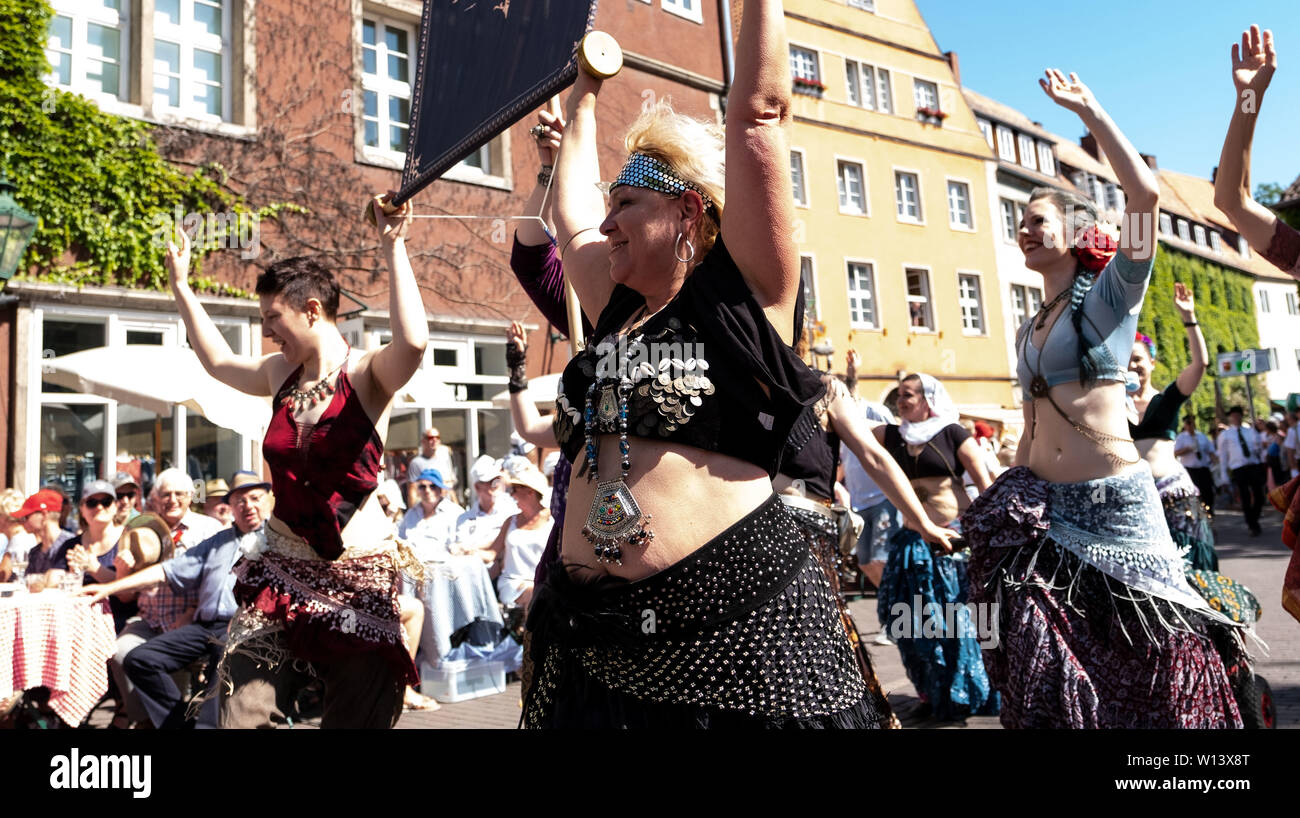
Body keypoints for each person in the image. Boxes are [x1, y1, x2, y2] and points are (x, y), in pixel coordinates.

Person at [524, 1, 877, 728]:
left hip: (732, 632)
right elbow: (572, 221)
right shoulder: (618, 310)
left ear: (686, 213)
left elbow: (760, 115)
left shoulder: (742, 302)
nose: (610, 220)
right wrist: (584, 88)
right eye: (611, 203)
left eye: (627, 203)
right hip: (598, 638)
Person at [963, 69, 1242, 728]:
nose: (1024, 230)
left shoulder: (1111, 301)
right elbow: (1032, 428)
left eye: (1036, 220)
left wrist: (1085, 107)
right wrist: (1010, 487)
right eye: (1019, 222)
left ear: (1076, 230)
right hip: (1048, 514)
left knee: (1152, 657)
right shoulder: (1032, 324)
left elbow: (1142, 194)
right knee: (1036, 656)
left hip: (1116, 504)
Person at [167, 190, 426, 729]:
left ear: (312, 310)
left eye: (272, 318)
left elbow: (415, 342)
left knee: (357, 719)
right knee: (239, 715)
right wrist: (182, 289)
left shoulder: (367, 373)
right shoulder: (276, 374)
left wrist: (392, 243)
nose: (266, 332)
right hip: (281, 570)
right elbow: (216, 360)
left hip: (357, 577)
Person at [80, 473, 273, 729]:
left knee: (226, 650)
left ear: (269, 500)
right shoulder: (217, 541)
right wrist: (109, 587)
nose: (247, 506)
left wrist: (244, 618)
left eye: (254, 498)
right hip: (202, 625)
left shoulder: (276, 541)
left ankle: (205, 726)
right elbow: (168, 570)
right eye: (240, 500)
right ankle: (180, 725)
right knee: (138, 659)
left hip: (241, 626)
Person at [872, 373, 998, 720]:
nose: (901, 401)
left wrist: (988, 536)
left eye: (908, 395)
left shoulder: (952, 433)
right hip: (911, 544)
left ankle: (966, 693)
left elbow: (986, 485)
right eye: (898, 395)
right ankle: (931, 693)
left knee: (955, 622)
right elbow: (851, 435)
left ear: (927, 399)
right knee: (911, 622)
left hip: (951, 543)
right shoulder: (890, 435)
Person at [110, 468, 222, 727]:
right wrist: (123, 569)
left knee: (157, 659)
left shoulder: (209, 529)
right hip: (149, 621)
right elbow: (126, 596)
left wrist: (191, 612)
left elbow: (216, 582)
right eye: (165, 494)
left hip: (191, 622)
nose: (172, 499)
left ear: (191, 496)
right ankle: (149, 721)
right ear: (156, 497)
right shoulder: (141, 529)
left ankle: (171, 721)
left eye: (179, 494)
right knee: (118, 651)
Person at [1129, 284, 1217, 567]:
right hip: (1136, 502)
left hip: (1174, 498)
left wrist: (1189, 318)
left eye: (1138, 359)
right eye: (1125, 361)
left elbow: (1200, 364)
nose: (1132, 366)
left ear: (1152, 362)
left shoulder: (1167, 398)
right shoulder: (1111, 405)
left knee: (1190, 571)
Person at [492, 465, 553, 609]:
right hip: (512, 584)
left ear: (530, 492)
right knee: (535, 593)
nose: (511, 495)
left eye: (514, 490)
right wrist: (468, 550)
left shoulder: (553, 521)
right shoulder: (510, 521)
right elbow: (492, 551)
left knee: (538, 592)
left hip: (544, 582)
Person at [1218, 405, 1267, 537]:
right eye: (1233, 415)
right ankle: (1252, 524)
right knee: (1245, 497)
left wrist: (1259, 444)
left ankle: (1254, 518)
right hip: (1238, 468)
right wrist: (1223, 474)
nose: (1235, 417)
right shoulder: (1225, 435)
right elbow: (1222, 455)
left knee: (1259, 496)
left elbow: (1260, 449)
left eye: (1238, 415)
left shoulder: (1250, 431)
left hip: (1253, 465)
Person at [398, 468, 462, 561]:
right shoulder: (411, 514)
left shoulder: (455, 513)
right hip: (414, 569)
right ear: (418, 491)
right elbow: (400, 540)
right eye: (422, 487)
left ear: (441, 490)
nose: (427, 490)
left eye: (432, 486)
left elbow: (461, 546)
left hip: (445, 569)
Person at [12, 488, 75, 576]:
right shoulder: (34, 552)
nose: (21, 522)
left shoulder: (72, 545)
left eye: (26, 517)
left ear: (44, 515)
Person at [1175, 416, 1218, 518]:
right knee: (1193, 493)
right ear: (1185, 425)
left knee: (1208, 492)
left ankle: (1208, 512)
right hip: (1190, 469)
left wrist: (1216, 461)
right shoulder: (1181, 437)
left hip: (1203, 468)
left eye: (1192, 423)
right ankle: (1196, 513)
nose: (1190, 425)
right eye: (1188, 423)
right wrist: (1187, 449)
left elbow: (1210, 450)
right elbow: (1175, 452)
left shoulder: (1201, 436)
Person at [406, 427, 458, 507]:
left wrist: (456, 506)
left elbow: (450, 489)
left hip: (446, 508)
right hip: (428, 511)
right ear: (423, 441)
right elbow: (412, 491)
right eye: (431, 438)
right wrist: (413, 513)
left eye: (437, 437)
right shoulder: (416, 463)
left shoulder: (444, 461)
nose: (434, 440)